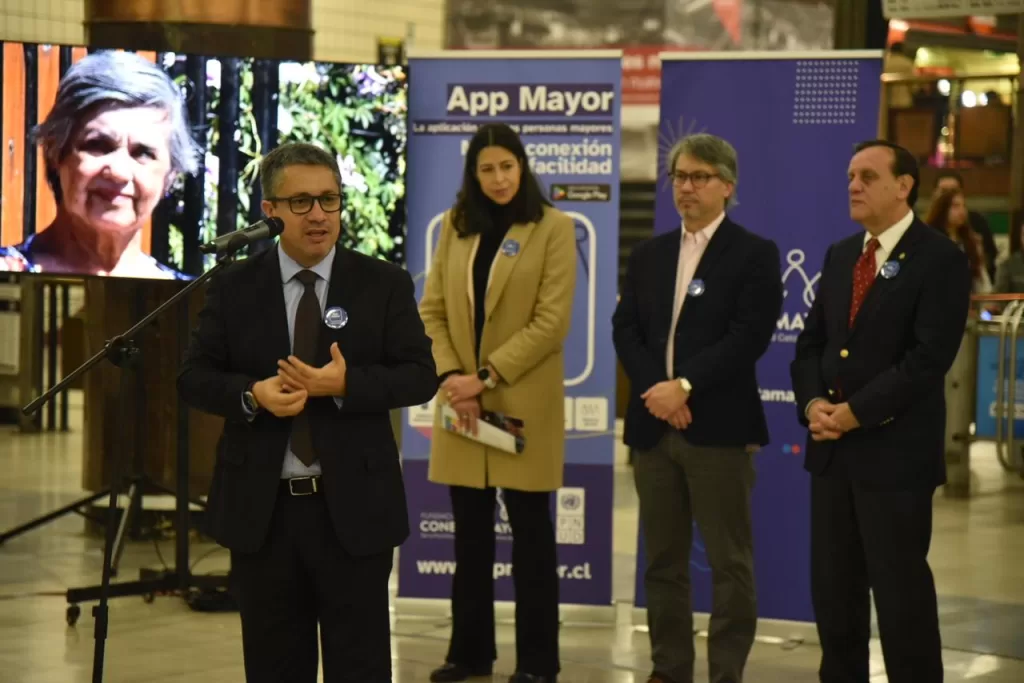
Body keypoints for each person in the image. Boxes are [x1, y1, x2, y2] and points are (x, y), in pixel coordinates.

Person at [176, 142, 437, 682]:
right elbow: (194, 378)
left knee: (360, 668)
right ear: (270, 211)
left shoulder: (382, 282)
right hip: (264, 513)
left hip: (355, 511)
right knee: (274, 667)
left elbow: (419, 375)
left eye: (329, 199)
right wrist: (253, 394)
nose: (318, 215)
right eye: (301, 202)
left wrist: (346, 384)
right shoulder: (234, 285)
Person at [790, 140, 971, 683]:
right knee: (834, 599)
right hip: (832, 458)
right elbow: (811, 345)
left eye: (867, 176)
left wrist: (856, 413)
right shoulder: (841, 254)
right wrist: (814, 404)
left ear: (904, 186)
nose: (853, 185)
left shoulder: (940, 259)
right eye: (850, 176)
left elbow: (927, 360)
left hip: (896, 461)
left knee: (901, 602)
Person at [612, 133, 783, 683]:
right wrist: (660, 392)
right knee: (663, 561)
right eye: (680, 177)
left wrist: (684, 386)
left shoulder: (753, 254)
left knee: (730, 563)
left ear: (726, 186)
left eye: (700, 177)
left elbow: (748, 336)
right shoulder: (649, 254)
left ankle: (725, 673)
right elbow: (626, 330)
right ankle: (669, 668)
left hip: (719, 430)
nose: (686, 187)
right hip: (653, 428)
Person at [419, 122, 576, 683]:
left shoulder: (553, 227)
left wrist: (483, 378)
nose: (499, 178)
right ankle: (469, 655)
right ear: (474, 174)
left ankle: (537, 663)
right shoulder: (456, 226)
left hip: (520, 405)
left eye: (507, 166)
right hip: (462, 404)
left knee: (532, 541)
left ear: (522, 166)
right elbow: (432, 310)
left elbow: (551, 323)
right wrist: (451, 377)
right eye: (487, 169)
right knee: (470, 540)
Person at [0, 50, 199, 279]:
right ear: (56, 152)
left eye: (143, 153)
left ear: (171, 175)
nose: (119, 172)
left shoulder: (192, 298)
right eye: (98, 145)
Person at [924, 187, 991, 294]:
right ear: (942, 210)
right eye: (955, 206)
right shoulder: (928, 241)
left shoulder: (970, 242)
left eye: (963, 206)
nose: (962, 211)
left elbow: (981, 279)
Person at [934, 169, 997, 282]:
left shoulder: (976, 223)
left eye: (954, 191)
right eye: (944, 191)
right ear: (935, 193)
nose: (949, 196)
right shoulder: (923, 229)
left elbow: (990, 258)